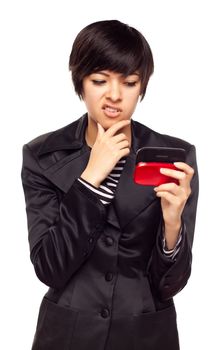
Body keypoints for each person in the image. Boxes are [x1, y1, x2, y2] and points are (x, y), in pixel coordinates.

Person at [21, 20, 199, 350]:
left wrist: (173, 224)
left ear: (142, 86)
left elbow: (169, 285)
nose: (114, 95)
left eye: (129, 82)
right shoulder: (42, 156)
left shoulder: (176, 157)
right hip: (67, 335)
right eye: (99, 80)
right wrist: (90, 179)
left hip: (146, 335)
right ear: (80, 82)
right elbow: (50, 268)